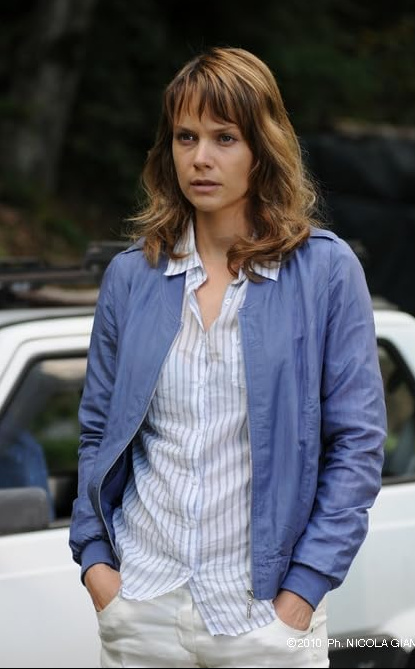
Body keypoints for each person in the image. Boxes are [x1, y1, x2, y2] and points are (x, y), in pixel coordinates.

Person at [69, 47, 386, 669]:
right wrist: (97, 566)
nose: (200, 158)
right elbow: (97, 432)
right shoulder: (132, 276)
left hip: (263, 617)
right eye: (185, 137)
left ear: (261, 148)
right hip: (142, 603)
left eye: (224, 137)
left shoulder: (324, 270)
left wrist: (302, 592)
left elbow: (358, 443)